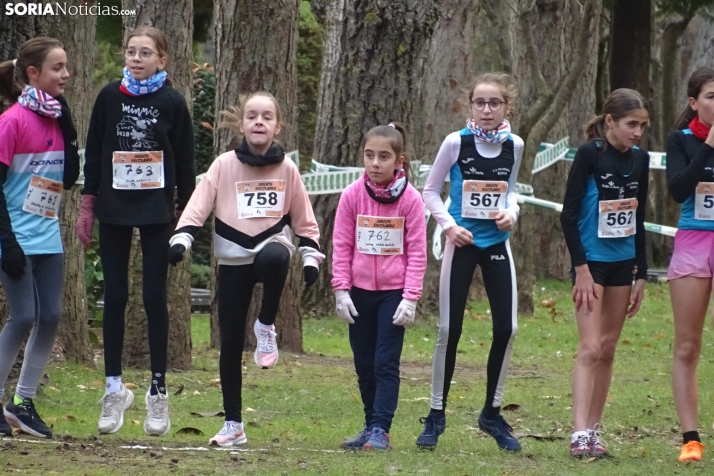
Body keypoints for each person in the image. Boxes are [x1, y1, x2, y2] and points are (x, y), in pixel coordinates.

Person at [168, 91, 324, 447]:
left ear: (277, 126)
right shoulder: (223, 165)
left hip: (272, 247)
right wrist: (183, 238)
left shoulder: (286, 169)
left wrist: (311, 255)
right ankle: (233, 424)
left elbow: (304, 220)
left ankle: (267, 323)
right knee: (230, 342)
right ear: (241, 125)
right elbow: (198, 205)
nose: (259, 122)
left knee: (275, 257)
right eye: (252, 116)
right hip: (232, 257)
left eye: (267, 117)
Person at [76, 26, 196, 436]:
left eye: (145, 53)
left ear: (162, 60)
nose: (136, 59)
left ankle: (157, 392)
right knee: (115, 295)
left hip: (157, 211)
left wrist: (186, 217)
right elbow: (94, 151)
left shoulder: (173, 103)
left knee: (152, 296)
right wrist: (88, 204)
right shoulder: (109, 96)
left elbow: (185, 162)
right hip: (113, 208)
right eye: (131, 52)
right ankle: (114, 388)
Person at [416, 72, 523, 451]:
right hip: (461, 242)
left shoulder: (515, 145)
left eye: (495, 103)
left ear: (507, 107)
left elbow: (510, 193)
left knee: (507, 329)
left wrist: (512, 213)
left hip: (496, 243)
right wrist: (448, 227)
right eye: (480, 103)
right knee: (449, 330)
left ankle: (491, 414)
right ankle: (435, 414)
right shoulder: (455, 142)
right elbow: (429, 191)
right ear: (470, 106)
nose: (487, 110)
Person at [560, 88, 650, 459]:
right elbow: (568, 214)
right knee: (590, 347)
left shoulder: (641, 159)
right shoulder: (590, 153)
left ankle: (595, 431)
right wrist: (580, 268)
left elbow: (638, 216)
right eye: (632, 125)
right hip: (591, 263)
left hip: (623, 263)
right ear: (610, 121)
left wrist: (641, 271)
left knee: (609, 349)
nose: (638, 132)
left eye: (643, 126)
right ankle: (579, 433)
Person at [0, 37, 80, 438]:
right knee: (24, 316)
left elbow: (67, 179)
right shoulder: (11, 122)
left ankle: (22, 402)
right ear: (34, 74)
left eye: (66, 66)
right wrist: (8, 242)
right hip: (15, 238)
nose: (66, 74)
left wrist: (68, 126)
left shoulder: (56, 117)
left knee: (49, 316)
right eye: (57, 68)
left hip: (48, 238)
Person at [332, 123, 426, 451]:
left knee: (384, 361)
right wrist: (341, 289)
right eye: (369, 155)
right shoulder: (351, 196)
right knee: (363, 363)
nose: (375, 163)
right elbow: (342, 245)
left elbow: (417, 251)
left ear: (399, 161)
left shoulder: (411, 200)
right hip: (358, 292)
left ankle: (381, 430)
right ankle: (369, 423)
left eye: (383, 157)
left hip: (393, 294)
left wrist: (410, 297)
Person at [666, 67, 714, 463]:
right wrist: (710, 146)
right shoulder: (680, 140)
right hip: (693, 241)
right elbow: (678, 189)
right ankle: (691, 439)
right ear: (694, 102)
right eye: (712, 95)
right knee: (687, 345)